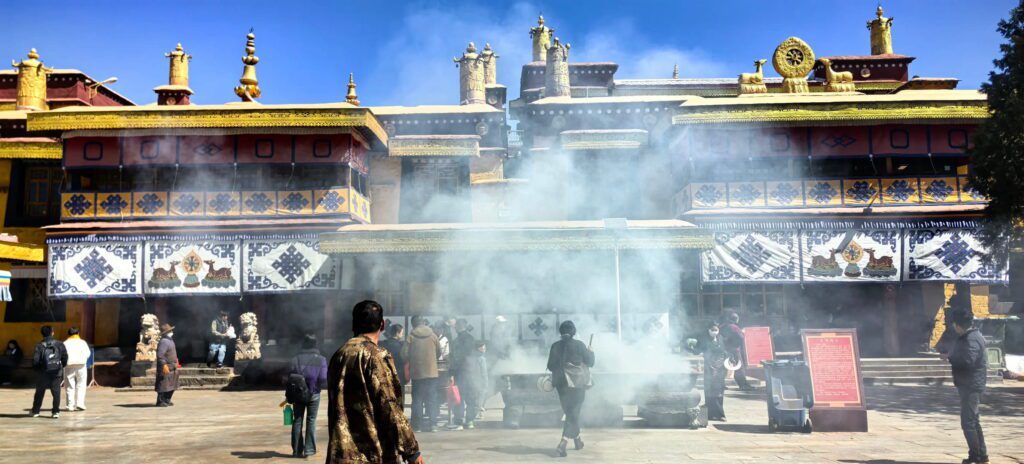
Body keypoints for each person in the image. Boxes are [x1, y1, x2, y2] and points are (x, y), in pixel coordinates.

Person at [326, 300, 423, 464]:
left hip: (341, 454)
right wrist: (411, 450)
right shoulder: (376, 355)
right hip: (372, 454)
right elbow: (390, 406)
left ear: (353, 325)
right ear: (382, 324)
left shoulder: (339, 354)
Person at [944, 307, 989, 464]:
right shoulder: (970, 336)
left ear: (958, 325)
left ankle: (977, 456)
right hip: (969, 384)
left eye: (954, 324)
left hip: (971, 385)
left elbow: (968, 361)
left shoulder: (971, 339)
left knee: (968, 422)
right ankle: (980, 456)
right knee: (973, 421)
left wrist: (950, 357)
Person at [546, 320, 595, 458]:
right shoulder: (579, 345)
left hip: (561, 383)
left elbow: (550, 366)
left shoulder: (555, 346)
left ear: (560, 332)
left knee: (570, 412)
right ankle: (563, 443)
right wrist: (591, 352)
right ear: (573, 331)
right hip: (577, 382)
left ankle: (578, 440)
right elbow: (590, 363)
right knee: (573, 412)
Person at [290, 334, 328, 458]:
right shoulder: (321, 359)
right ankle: (309, 450)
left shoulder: (295, 358)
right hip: (314, 393)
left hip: (298, 394)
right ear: (315, 344)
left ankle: (296, 450)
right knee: (311, 420)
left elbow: (290, 375)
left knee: (297, 420)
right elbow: (323, 378)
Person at [404, 317, 441, 432]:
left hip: (417, 373)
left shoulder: (411, 337)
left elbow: (404, 353)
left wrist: (412, 359)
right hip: (432, 372)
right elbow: (439, 352)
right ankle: (433, 424)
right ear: (424, 322)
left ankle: (417, 426)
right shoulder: (433, 336)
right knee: (432, 398)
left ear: (413, 324)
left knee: (417, 399)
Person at [693, 321, 729, 422]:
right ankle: (710, 414)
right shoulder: (703, 340)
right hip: (708, 368)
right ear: (708, 330)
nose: (714, 332)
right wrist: (700, 352)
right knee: (709, 392)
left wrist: (727, 356)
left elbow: (725, 350)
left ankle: (721, 414)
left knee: (719, 392)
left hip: (719, 368)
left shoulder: (721, 338)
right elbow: (697, 350)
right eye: (712, 330)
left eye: (716, 330)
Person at [30, 326, 67, 418]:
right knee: (56, 393)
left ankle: (35, 411)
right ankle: (55, 412)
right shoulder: (59, 344)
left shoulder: (39, 345)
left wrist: (37, 369)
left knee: (39, 392)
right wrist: (61, 366)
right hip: (56, 372)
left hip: (43, 372)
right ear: (52, 333)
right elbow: (65, 357)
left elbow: (35, 360)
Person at [449, 319, 476, 429]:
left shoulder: (457, 340)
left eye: (455, 326)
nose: (454, 328)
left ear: (459, 326)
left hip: (460, 372)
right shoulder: (471, 338)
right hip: (471, 371)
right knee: (470, 397)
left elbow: (456, 357)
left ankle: (458, 421)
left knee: (459, 396)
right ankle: (470, 421)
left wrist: (451, 371)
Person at [456, 340, 488, 430]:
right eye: (483, 347)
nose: (485, 349)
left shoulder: (467, 356)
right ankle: (469, 421)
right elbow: (484, 374)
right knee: (473, 404)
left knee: (461, 403)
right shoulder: (481, 359)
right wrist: (485, 384)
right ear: (478, 348)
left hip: (463, 382)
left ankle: (459, 421)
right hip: (474, 383)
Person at [721, 311, 753, 391]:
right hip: (734, 349)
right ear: (736, 319)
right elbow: (741, 337)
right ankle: (743, 385)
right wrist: (743, 333)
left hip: (724, 349)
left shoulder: (722, 326)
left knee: (722, 368)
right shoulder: (734, 327)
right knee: (739, 367)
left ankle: (720, 385)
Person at [63, 327, 91, 412]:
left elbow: (63, 355)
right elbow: (88, 353)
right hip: (81, 366)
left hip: (69, 366)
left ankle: (70, 405)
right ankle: (80, 404)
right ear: (78, 333)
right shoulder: (82, 342)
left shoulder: (65, 343)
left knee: (69, 386)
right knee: (81, 385)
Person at [156, 322, 179, 407]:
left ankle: (167, 399)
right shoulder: (164, 341)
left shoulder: (170, 340)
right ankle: (160, 401)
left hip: (173, 366)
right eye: (170, 331)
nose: (171, 332)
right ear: (165, 333)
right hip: (166, 366)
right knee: (163, 384)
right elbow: (160, 355)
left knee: (172, 384)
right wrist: (164, 365)